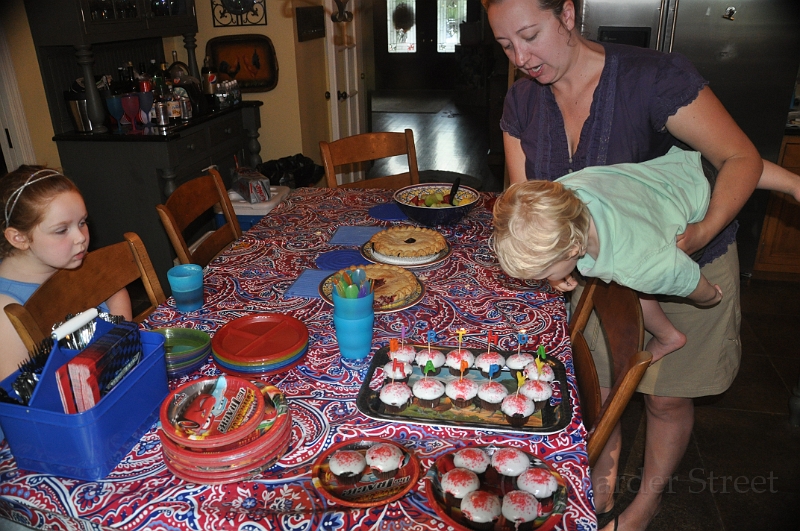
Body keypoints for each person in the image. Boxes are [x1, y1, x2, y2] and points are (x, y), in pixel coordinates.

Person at [483, 0, 799, 529]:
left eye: (530, 35)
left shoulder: (654, 77)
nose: (521, 58)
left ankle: (646, 506)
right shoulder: (522, 101)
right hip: (598, 272)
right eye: (505, 45)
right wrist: (546, 262)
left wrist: (703, 231)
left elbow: (739, 158)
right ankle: (601, 490)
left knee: (666, 401)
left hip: (687, 261)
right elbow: (526, 199)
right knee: (600, 394)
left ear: (567, 15)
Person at [0, 166, 132, 381]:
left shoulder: (71, 259)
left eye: (82, 222)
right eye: (62, 230)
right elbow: (17, 390)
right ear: (19, 238)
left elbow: (114, 289)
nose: (81, 237)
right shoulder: (6, 311)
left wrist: (119, 340)